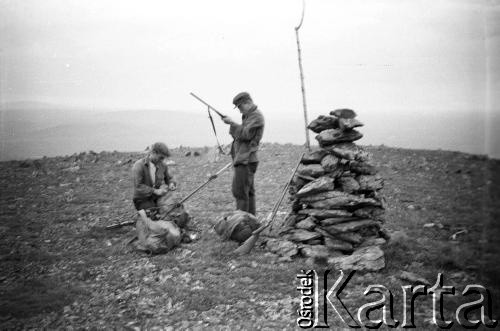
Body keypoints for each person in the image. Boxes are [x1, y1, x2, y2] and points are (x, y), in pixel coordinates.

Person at [222, 92, 265, 215]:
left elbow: (246, 134)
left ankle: (241, 226)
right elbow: (243, 134)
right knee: (248, 194)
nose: (240, 111)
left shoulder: (256, 116)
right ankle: (251, 224)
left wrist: (231, 123)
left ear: (248, 103)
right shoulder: (250, 116)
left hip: (246, 160)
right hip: (247, 159)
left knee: (240, 193)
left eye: (240, 107)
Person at [132, 142, 176, 211]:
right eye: (161, 157)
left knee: (173, 207)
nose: (162, 160)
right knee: (154, 213)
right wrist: (155, 191)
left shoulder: (163, 165)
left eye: (163, 158)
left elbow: (169, 178)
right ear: (153, 152)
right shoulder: (139, 165)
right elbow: (138, 186)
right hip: (142, 199)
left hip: (156, 197)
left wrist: (171, 184)